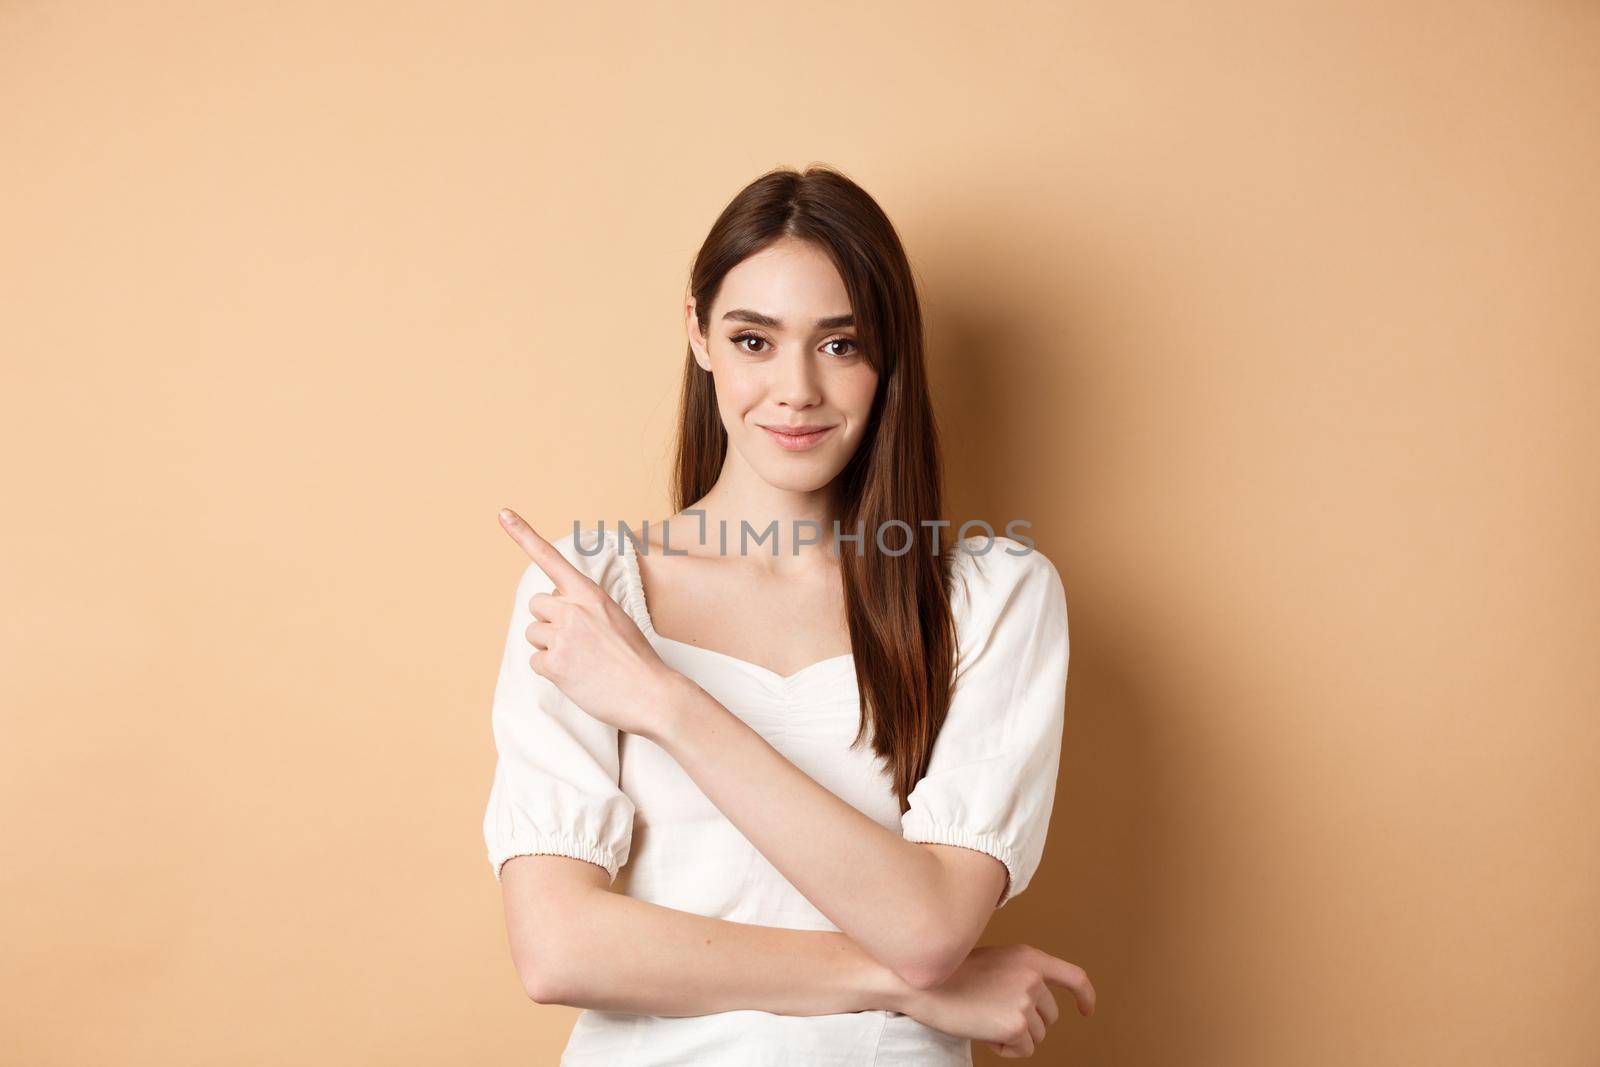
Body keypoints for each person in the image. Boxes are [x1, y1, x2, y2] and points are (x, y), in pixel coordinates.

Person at [482, 164, 1094, 1064]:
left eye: (840, 344)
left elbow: (927, 926)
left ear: (890, 358)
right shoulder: (587, 592)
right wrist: (896, 979)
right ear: (698, 336)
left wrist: (663, 701)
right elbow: (558, 946)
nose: (797, 389)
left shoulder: (992, 596)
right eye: (754, 340)